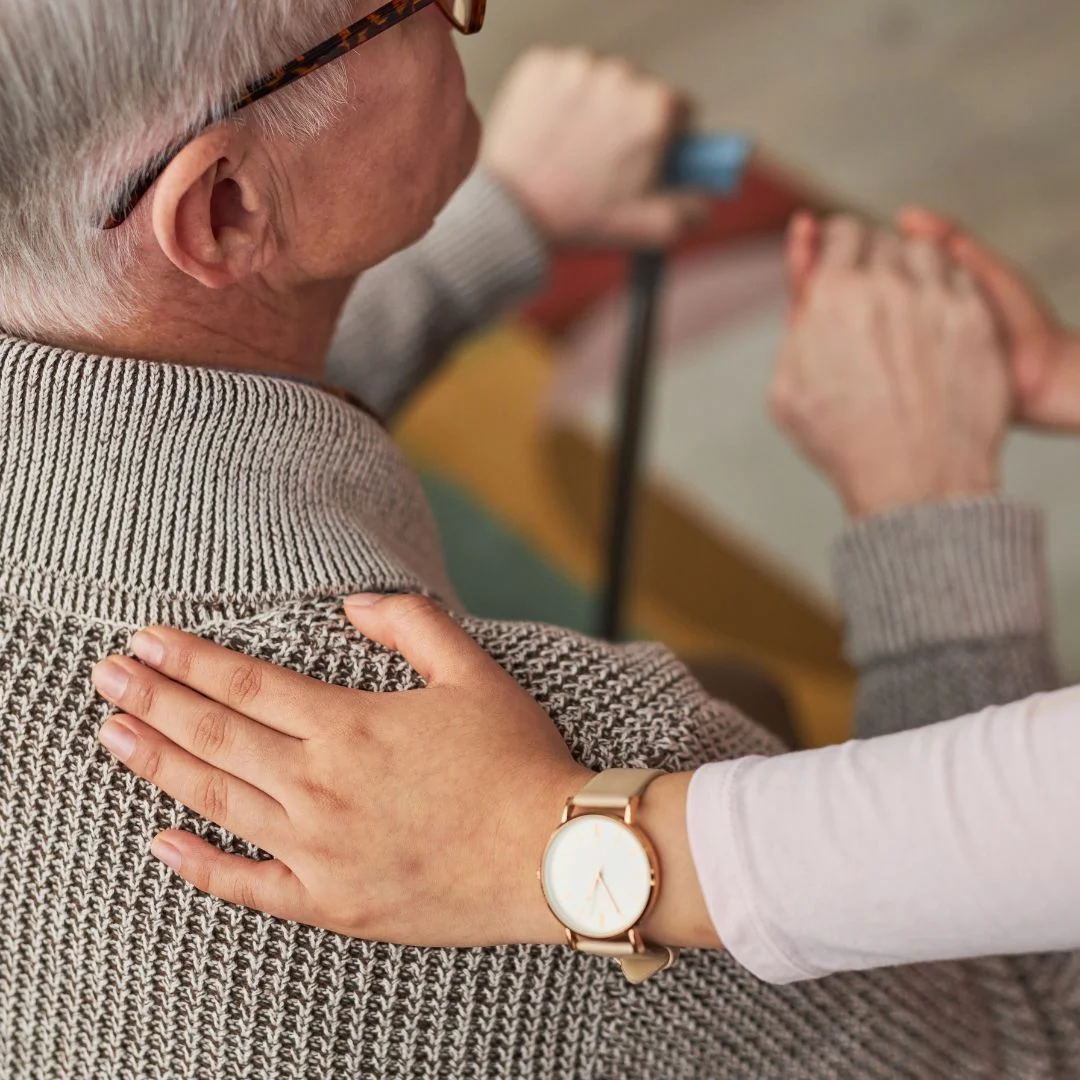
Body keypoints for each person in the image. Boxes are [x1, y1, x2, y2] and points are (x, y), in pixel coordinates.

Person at [9, 3, 1053, 1078]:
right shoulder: (558, 768)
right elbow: (1014, 1030)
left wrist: (498, 220)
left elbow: (169, 426)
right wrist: (929, 507)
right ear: (226, 208)